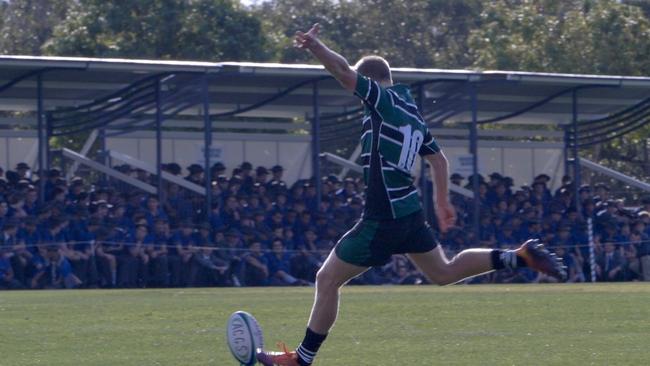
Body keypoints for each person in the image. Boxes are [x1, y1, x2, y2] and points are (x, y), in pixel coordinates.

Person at [257, 23, 566, 366]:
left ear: (371, 82)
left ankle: (301, 360)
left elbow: (343, 72)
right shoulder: (412, 114)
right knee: (444, 272)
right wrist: (442, 201)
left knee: (326, 279)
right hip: (410, 213)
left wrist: (315, 47)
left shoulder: (382, 101)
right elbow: (438, 159)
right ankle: (518, 256)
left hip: (383, 218)